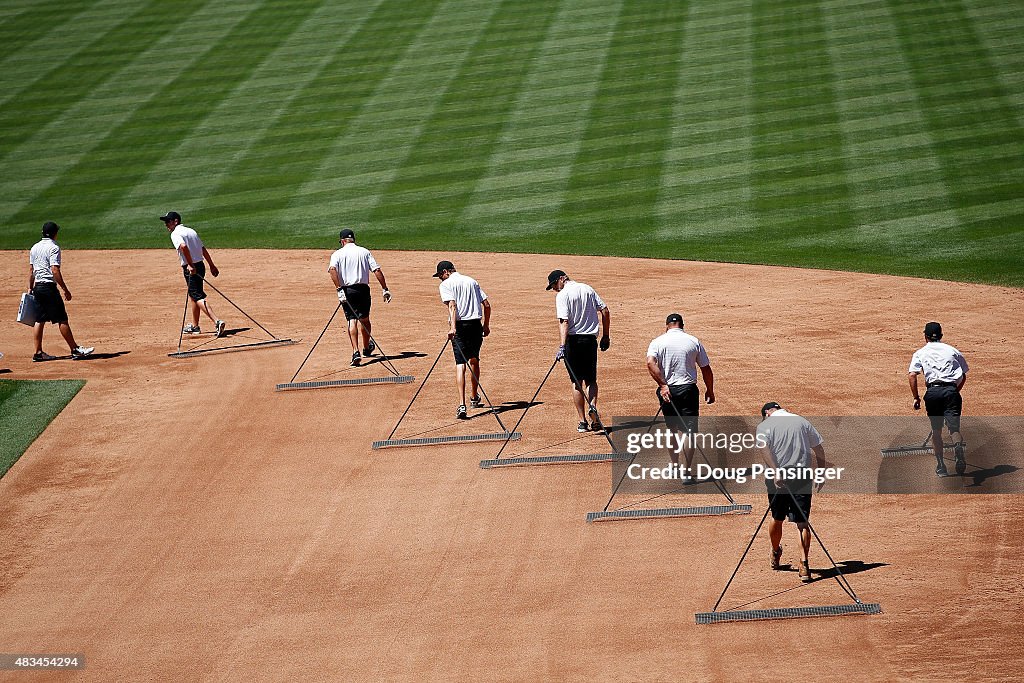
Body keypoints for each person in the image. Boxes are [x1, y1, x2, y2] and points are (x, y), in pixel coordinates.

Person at [757, 402, 826, 583]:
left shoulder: (765, 426)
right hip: (802, 476)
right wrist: (821, 472)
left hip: (777, 480)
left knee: (776, 517)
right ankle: (804, 565)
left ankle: (775, 551)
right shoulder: (802, 421)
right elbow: (818, 447)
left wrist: (775, 471)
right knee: (802, 523)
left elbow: (764, 449)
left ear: (767, 413)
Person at [645, 313, 715, 469]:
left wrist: (663, 385)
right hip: (688, 389)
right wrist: (710, 390)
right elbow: (706, 369)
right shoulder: (693, 341)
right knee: (689, 432)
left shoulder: (657, 342)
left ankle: (674, 465)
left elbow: (650, 362)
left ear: (667, 326)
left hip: (668, 391)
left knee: (672, 429)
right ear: (682, 325)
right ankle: (687, 470)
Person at [546, 269, 610, 433]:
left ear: (562, 279)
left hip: (573, 342)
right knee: (591, 379)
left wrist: (562, 346)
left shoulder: (562, 295)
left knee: (576, 381)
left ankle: (582, 422)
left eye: (554, 284)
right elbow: (605, 310)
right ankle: (593, 407)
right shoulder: (588, 289)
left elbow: (564, 321)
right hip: (590, 340)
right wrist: (606, 336)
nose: (554, 288)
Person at [908, 322, 969, 477]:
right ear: (941, 336)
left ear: (926, 336)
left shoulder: (920, 353)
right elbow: (963, 375)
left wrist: (916, 398)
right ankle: (957, 447)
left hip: (933, 393)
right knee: (954, 429)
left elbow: (912, 375)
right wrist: (954, 391)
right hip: (951, 391)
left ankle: (941, 466)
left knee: (936, 431)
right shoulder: (952, 351)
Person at [27, 222, 94, 361]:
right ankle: (75, 350)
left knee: (40, 319)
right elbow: (55, 270)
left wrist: (30, 287)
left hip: (38, 287)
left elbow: (31, 270)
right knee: (62, 319)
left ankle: (38, 353)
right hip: (48, 288)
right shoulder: (54, 247)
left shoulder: (34, 247)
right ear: (55, 233)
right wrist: (65, 289)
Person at [433, 260, 491, 419]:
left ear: (445, 272)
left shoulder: (446, 284)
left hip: (460, 327)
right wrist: (486, 325)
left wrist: (452, 327)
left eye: (440, 276)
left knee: (460, 364)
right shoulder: (472, 281)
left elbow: (452, 305)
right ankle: (474, 397)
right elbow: (486, 305)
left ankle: (461, 404)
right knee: (474, 360)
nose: (440, 279)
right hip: (475, 326)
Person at [328, 228, 391, 366]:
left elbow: (332, 270)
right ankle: (367, 347)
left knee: (352, 320)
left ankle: (356, 352)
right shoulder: (364, 251)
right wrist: (384, 288)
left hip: (347, 290)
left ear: (343, 241)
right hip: (363, 290)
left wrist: (339, 290)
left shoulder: (337, 254)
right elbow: (377, 270)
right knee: (365, 319)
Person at [161, 211, 225, 338]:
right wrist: (211, 265)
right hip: (200, 265)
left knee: (197, 296)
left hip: (191, 268)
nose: (166, 225)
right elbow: (202, 249)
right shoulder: (191, 231)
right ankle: (195, 327)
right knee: (193, 295)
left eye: (168, 222)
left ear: (175, 221)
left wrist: (190, 265)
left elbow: (183, 247)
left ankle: (217, 321)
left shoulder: (175, 234)